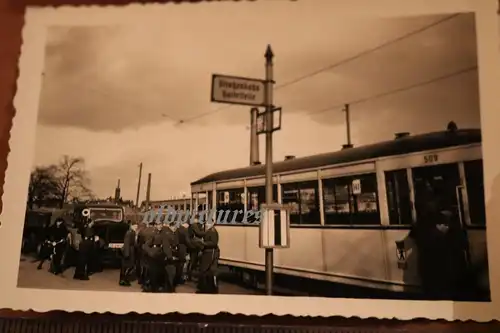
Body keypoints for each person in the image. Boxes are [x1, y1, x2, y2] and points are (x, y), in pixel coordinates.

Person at [197, 219, 220, 294]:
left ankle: (205, 288)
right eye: (206, 223)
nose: (207, 224)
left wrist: (203, 243)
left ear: (213, 223)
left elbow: (213, 243)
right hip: (208, 252)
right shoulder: (209, 230)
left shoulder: (212, 232)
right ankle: (207, 288)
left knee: (205, 270)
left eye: (209, 223)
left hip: (210, 253)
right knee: (207, 271)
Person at [144, 220, 166, 292]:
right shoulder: (153, 233)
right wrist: (151, 252)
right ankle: (153, 287)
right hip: (154, 255)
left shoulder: (162, 233)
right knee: (154, 272)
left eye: (161, 224)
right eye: (158, 224)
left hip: (160, 255)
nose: (160, 226)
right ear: (155, 225)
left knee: (159, 271)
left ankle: (158, 286)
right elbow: (145, 245)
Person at [162, 220, 180, 292]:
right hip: (169, 256)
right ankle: (169, 288)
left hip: (172, 255)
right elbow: (167, 247)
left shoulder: (172, 233)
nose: (175, 228)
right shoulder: (168, 234)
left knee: (171, 272)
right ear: (171, 226)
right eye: (174, 227)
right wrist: (170, 256)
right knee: (171, 272)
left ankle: (169, 287)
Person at [119, 221, 138, 286]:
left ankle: (124, 279)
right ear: (131, 226)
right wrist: (127, 254)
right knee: (127, 266)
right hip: (129, 251)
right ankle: (124, 280)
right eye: (135, 226)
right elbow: (126, 243)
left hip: (131, 250)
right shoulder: (129, 233)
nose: (136, 227)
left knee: (129, 266)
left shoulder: (132, 232)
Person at [174, 220, 190, 286]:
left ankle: (175, 279)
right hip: (183, 248)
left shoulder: (177, 229)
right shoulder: (185, 230)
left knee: (177, 264)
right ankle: (179, 279)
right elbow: (187, 241)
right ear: (186, 224)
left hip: (178, 248)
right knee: (181, 265)